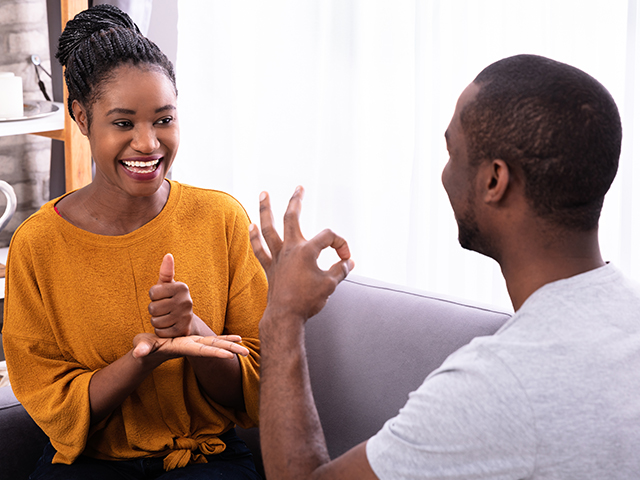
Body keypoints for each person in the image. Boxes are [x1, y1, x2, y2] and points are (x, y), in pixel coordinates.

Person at [248, 54, 640, 479]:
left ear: (494, 181)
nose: (444, 173)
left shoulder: (496, 386)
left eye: (452, 151)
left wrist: (284, 315)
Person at [2, 5, 266, 479]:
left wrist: (193, 331)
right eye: (123, 123)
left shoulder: (221, 219)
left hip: (205, 462)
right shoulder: (37, 245)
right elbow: (53, 407)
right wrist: (142, 359)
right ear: (81, 117)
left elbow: (257, 392)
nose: (148, 143)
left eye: (163, 119)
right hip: (87, 466)